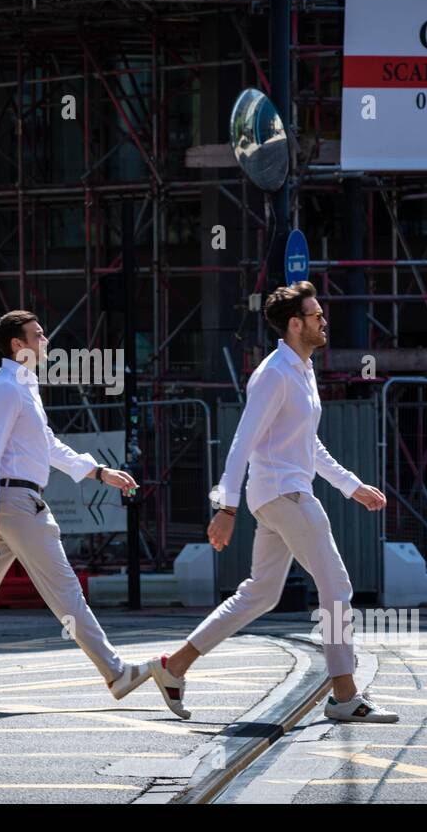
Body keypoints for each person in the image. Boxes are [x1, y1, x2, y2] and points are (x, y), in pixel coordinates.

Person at [146, 282, 400, 723]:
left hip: (281, 493)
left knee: (259, 594)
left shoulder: (302, 369)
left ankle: (175, 667)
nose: (324, 321)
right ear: (295, 323)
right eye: (317, 315)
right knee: (337, 587)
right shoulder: (274, 373)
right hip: (284, 493)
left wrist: (350, 485)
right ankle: (344, 695)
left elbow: (308, 442)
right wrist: (225, 508)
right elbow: (243, 440)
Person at [0, 310, 158, 710]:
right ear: (18, 345)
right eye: (38, 334)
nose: (45, 340)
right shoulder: (4, 389)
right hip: (14, 505)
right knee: (66, 592)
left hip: (14, 504)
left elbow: (46, 445)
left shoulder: (25, 387)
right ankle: (116, 673)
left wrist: (98, 471)